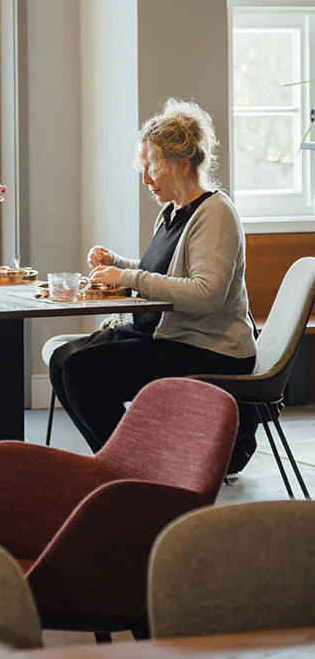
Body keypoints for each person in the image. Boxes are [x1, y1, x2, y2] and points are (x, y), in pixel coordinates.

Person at [48, 98, 257, 454]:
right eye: (143, 168)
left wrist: (128, 278)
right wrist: (117, 264)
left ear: (184, 164)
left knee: (82, 370)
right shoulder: (172, 212)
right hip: (169, 338)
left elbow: (206, 294)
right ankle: (119, 464)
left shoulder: (215, 213)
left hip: (209, 348)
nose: (146, 179)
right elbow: (162, 273)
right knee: (62, 361)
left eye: (154, 168)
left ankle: (135, 465)